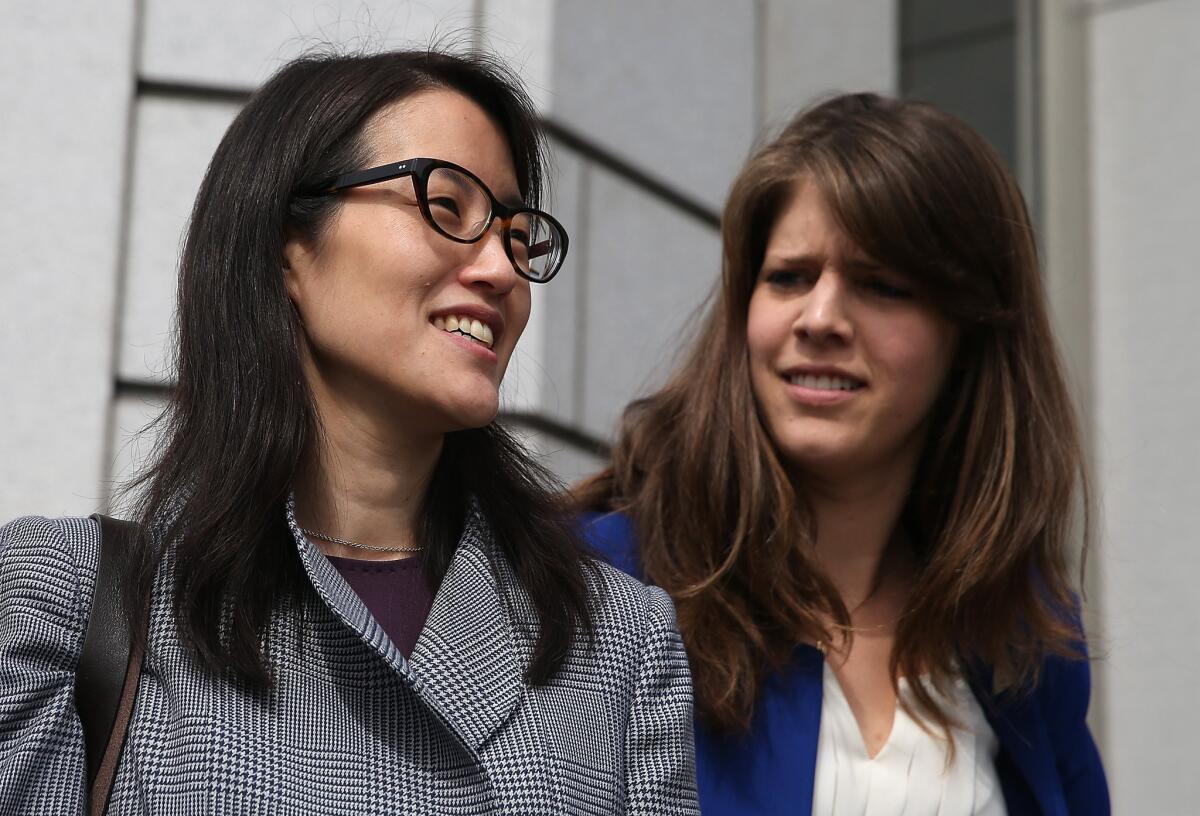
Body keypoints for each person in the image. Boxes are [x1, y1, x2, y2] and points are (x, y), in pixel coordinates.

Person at [0, 49, 698, 814]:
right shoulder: (68, 603)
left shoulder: (620, 643)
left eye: (516, 232)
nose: (501, 267)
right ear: (288, 247)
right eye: (447, 205)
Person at [578, 92, 1108, 815]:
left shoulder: (1024, 642)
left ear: (971, 338)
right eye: (789, 277)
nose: (820, 318)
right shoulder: (593, 590)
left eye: (882, 285)